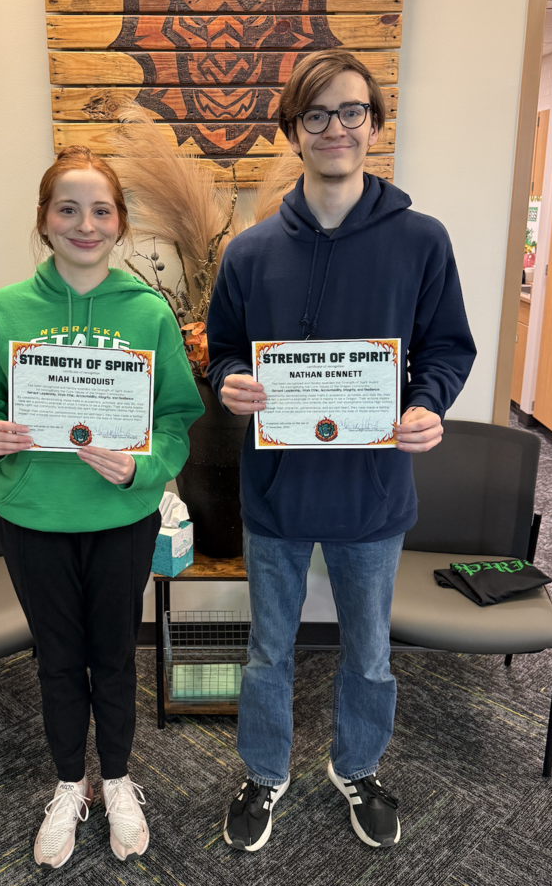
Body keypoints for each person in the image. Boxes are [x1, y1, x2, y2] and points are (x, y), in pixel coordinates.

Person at [206, 48, 476, 852]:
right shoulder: (250, 252)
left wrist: (428, 404)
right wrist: (230, 382)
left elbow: (447, 349)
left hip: (372, 494)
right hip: (278, 494)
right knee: (267, 651)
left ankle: (357, 768)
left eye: (352, 111)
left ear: (374, 124)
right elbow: (222, 350)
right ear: (293, 129)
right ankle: (265, 771)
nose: (336, 128)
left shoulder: (422, 240)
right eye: (317, 114)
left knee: (368, 654)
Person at [0, 146, 204, 869]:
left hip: (121, 519)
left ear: (120, 224)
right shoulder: (5, 311)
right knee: (58, 662)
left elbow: (179, 420)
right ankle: (69, 784)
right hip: (33, 517)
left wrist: (144, 465)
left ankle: (119, 780)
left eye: (100, 210)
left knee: (116, 658)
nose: (84, 224)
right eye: (67, 208)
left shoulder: (148, 313)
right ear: (44, 220)